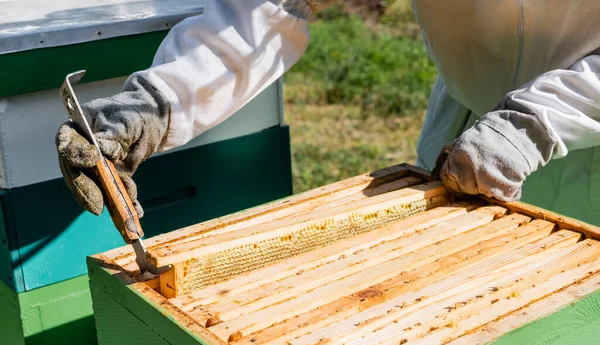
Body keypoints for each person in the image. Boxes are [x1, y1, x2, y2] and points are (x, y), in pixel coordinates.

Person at [56, 0, 600, 226]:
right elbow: (273, 9)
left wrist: (532, 124)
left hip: (589, 153)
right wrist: (159, 100)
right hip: (468, 133)